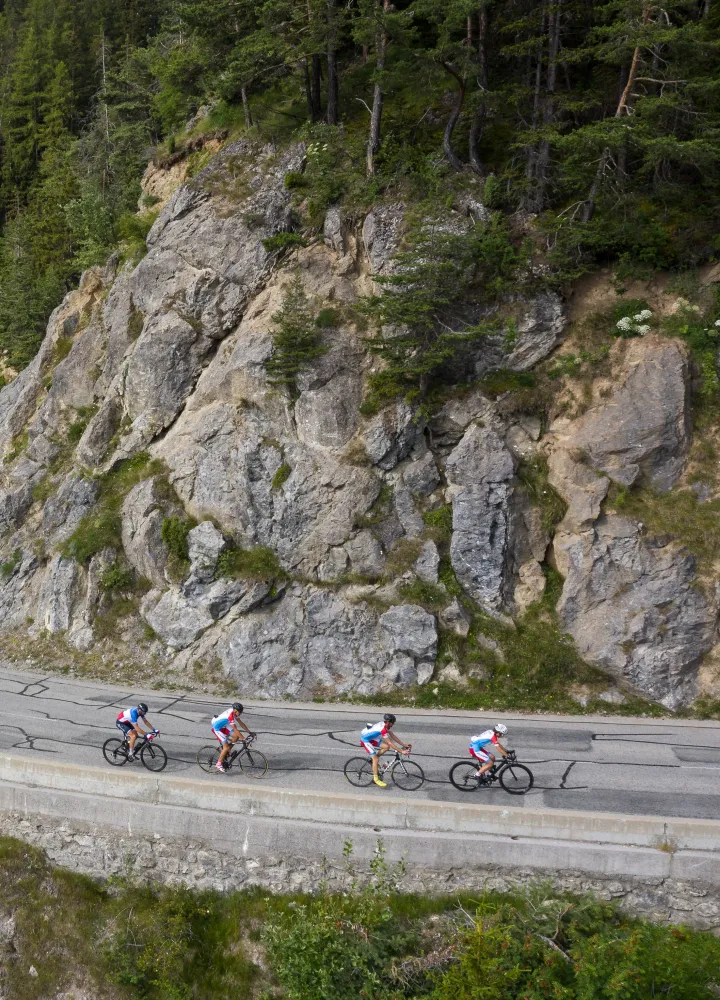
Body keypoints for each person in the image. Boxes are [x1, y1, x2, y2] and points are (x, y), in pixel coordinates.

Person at [360, 713, 411, 788]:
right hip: (365, 740)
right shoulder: (383, 729)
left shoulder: (386, 725)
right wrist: (401, 751)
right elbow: (390, 742)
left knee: (386, 747)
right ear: (388, 721)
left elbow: (393, 736)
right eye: (392, 722)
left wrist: (403, 744)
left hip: (372, 737)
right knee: (376, 759)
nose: (393, 724)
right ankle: (376, 779)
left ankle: (373, 759)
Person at [211, 702, 253, 772]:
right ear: (235, 711)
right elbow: (235, 729)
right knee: (226, 747)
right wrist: (243, 738)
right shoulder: (230, 715)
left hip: (224, 725)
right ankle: (218, 764)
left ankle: (227, 752)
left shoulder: (235, 712)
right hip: (217, 727)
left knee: (236, 737)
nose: (240, 714)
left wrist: (249, 732)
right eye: (240, 713)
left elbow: (241, 723)